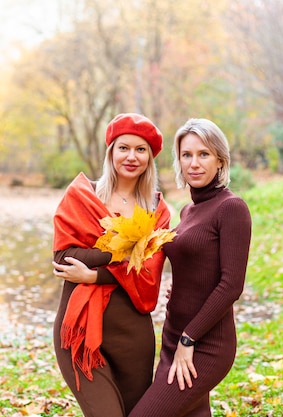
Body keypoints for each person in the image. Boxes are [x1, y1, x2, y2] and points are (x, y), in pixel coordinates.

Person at [129, 118, 252, 417]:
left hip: (204, 343)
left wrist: (190, 338)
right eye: (187, 155)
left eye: (203, 154)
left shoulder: (231, 208)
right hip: (174, 335)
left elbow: (231, 285)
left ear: (220, 160)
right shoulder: (188, 209)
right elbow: (196, 263)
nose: (194, 163)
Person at [51, 113, 170, 417]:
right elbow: (64, 258)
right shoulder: (82, 196)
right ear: (111, 152)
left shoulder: (157, 210)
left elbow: (148, 273)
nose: (131, 157)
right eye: (123, 148)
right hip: (79, 329)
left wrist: (92, 275)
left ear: (150, 158)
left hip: (133, 335)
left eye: (141, 150)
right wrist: (128, 251)